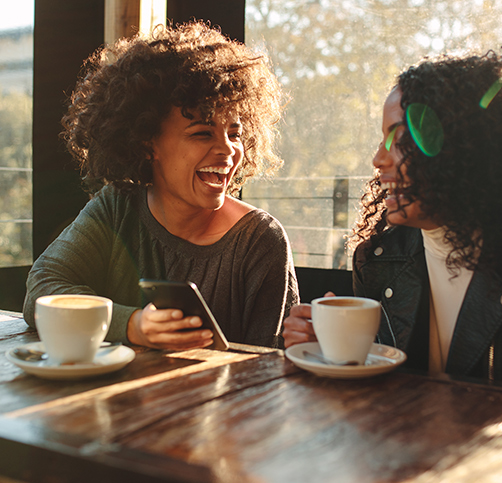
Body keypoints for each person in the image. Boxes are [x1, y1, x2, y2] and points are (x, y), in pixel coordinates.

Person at [283, 49, 502, 391]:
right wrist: (327, 350)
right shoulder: (377, 260)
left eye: (401, 139)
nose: (378, 159)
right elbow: (373, 394)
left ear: (467, 150)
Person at [24, 22, 299, 350]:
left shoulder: (260, 240)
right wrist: (132, 325)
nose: (228, 150)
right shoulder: (117, 207)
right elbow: (42, 290)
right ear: (146, 142)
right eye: (202, 132)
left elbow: (271, 369)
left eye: (235, 133)